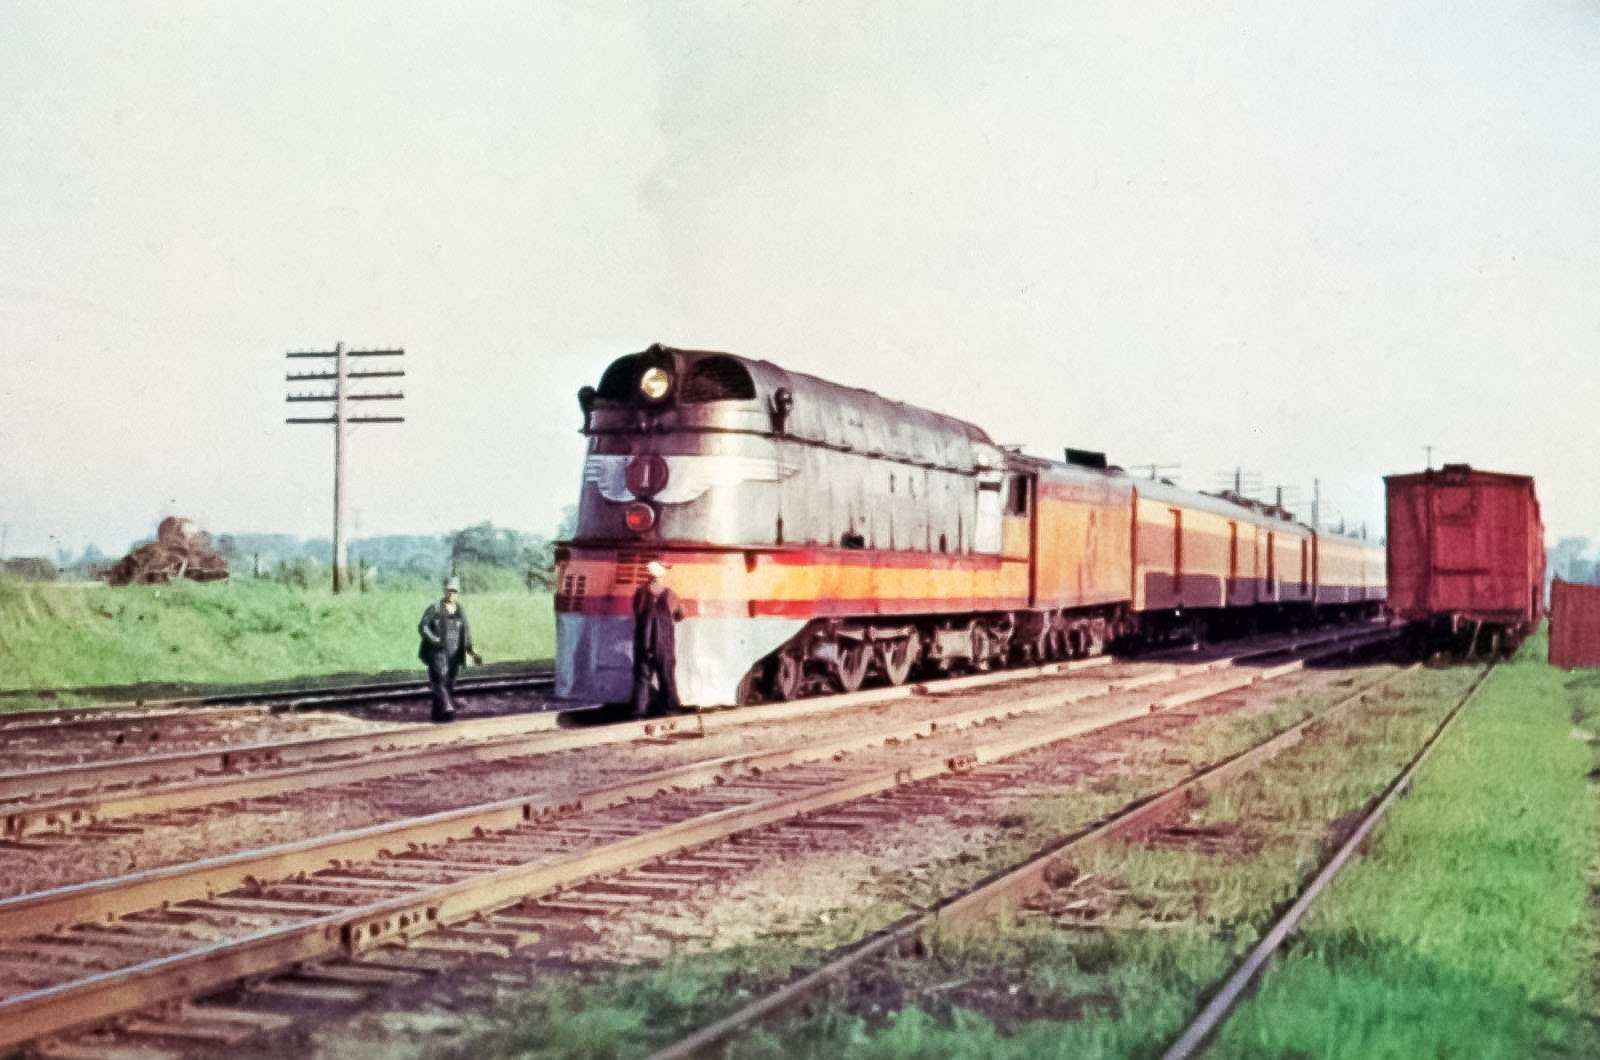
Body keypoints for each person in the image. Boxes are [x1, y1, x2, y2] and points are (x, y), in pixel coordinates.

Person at [418, 576, 482, 723]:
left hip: (455, 654)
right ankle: (447, 706)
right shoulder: (435, 607)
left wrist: (472, 651)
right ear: (444, 591)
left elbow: (466, 632)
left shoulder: (459, 610)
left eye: (454, 591)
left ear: (458, 593)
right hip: (438, 652)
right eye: (449, 590)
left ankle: (437, 716)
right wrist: (434, 640)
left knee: (449, 684)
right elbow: (423, 626)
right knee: (439, 682)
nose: (451, 594)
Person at [631, 560, 684, 718]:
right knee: (666, 676)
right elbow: (680, 615)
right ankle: (670, 708)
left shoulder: (640, 593)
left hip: (643, 643)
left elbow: (637, 612)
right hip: (664, 644)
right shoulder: (670, 595)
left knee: (642, 678)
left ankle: (638, 710)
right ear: (661, 576)